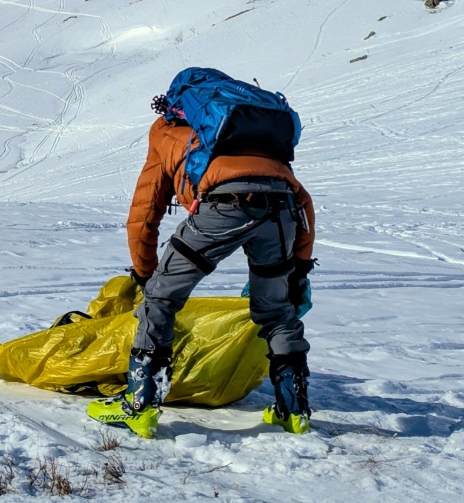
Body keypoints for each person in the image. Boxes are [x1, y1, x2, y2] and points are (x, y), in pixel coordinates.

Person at [112, 91, 316, 437]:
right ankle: (293, 412)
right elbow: (302, 201)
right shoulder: (250, 132)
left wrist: (146, 273)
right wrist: (299, 266)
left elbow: (145, 211)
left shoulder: (165, 130)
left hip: (221, 207)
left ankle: (140, 406)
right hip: (281, 210)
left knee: (161, 300)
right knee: (278, 312)